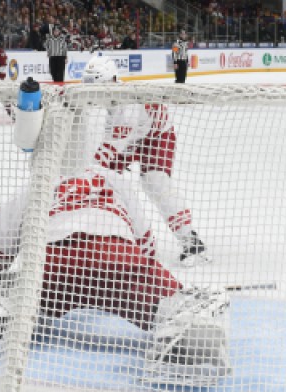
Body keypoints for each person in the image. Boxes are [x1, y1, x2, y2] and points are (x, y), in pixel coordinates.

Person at [0, 126, 230, 387]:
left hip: (52, 270)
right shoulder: (113, 179)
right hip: (118, 261)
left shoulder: (37, 184)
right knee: (178, 304)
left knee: (14, 287)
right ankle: (186, 341)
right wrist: (158, 284)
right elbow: (146, 247)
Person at [82, 56, 208, 266]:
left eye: (97, 83)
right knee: (105, 184)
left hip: (156, 136)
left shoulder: (128, 104)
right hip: (129, 137)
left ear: (113, 79)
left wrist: (87, 172)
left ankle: (191, 241)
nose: (92, 91)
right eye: (88, 84)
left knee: (154, 181)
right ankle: (102, 237)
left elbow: (111, 147)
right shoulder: (103, 100)